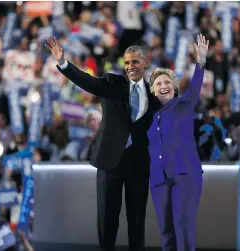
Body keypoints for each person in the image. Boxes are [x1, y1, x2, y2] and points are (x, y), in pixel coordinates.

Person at [45, 37, 160, 251]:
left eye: (135, 62)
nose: (130, 66)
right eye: (127, 62)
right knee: (107, 223)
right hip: (110, 162)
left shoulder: (155, 92)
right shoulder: (112, 83)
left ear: (145, 62)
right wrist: (63, 63)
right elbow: (87, 81)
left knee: (137, 222)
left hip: (139, 164)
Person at [146, 34, 208, 251]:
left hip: (185, 174)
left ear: (174, 86)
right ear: (153, 90)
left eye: (167, 82)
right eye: (158, 83)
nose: (163, 86)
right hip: (159, 178)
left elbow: (195, 86)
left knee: (183, 226)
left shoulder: (185, 105)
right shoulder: (149, 117)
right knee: (165, 231)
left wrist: (200, 62)